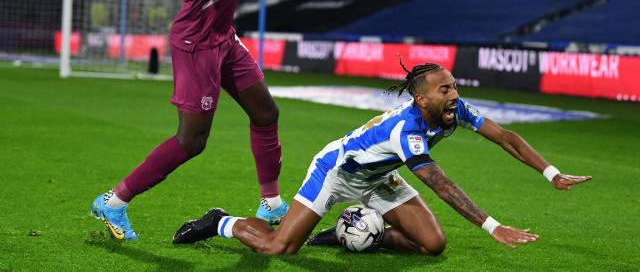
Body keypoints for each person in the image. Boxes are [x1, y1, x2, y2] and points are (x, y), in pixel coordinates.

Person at [172, 62, 591, 255]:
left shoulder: (455, 110)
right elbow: (440, 183)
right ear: (420, 97)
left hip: (378, 177)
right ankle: (220, 221)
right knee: (279, 248)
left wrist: (550, 173)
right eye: (445, 90)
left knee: (432, 245)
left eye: (455, 86)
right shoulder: (405, 131)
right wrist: (493, 227)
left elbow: (507, 137)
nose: (455, 95)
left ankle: (346, 233)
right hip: (336, 173)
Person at [91, 0, 288, 241]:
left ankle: (271, 202)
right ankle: (113, 201)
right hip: (196, 43)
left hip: (223, 38)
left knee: (266, 112)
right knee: (191, 141)